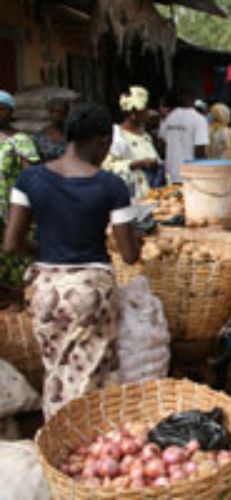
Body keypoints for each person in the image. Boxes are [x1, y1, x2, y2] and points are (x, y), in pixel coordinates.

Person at [3, 103, 140, 419]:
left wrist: (47, 253)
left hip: (46, 291)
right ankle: (84, 447)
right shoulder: (111, 186)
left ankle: (55, 436)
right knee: (90, 378)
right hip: (90, 293)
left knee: (57, 373)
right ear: (104, 140)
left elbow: (11, 244)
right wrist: (137, 242)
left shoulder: (30, 180)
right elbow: (130, 255)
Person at [0, 89, 40, 290]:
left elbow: (31, 174)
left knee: (14, 252)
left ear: (9, 111)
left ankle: (17, 297)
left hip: (12, 206)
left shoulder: (21, 140)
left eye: (2, 109)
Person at [103, 86, 160, 199]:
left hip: (152, 193)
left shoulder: (145, 135)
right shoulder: (118, 136)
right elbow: (107, 167)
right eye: (143, 111)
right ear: (133, 115)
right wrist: (137, 163)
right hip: (132, 196)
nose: (147, 114)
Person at [159, 90, 209, 183]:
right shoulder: (199, 119)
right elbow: (200, 149)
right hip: (191, 175)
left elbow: (161, 143)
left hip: (171, 173)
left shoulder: (170, 118)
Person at [33, 97, 70, 162]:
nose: (56, 115)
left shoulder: (73, 134)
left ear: (66, 114)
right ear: (49, 113)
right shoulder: (40, 136)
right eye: (53, 111)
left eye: (60, 112)